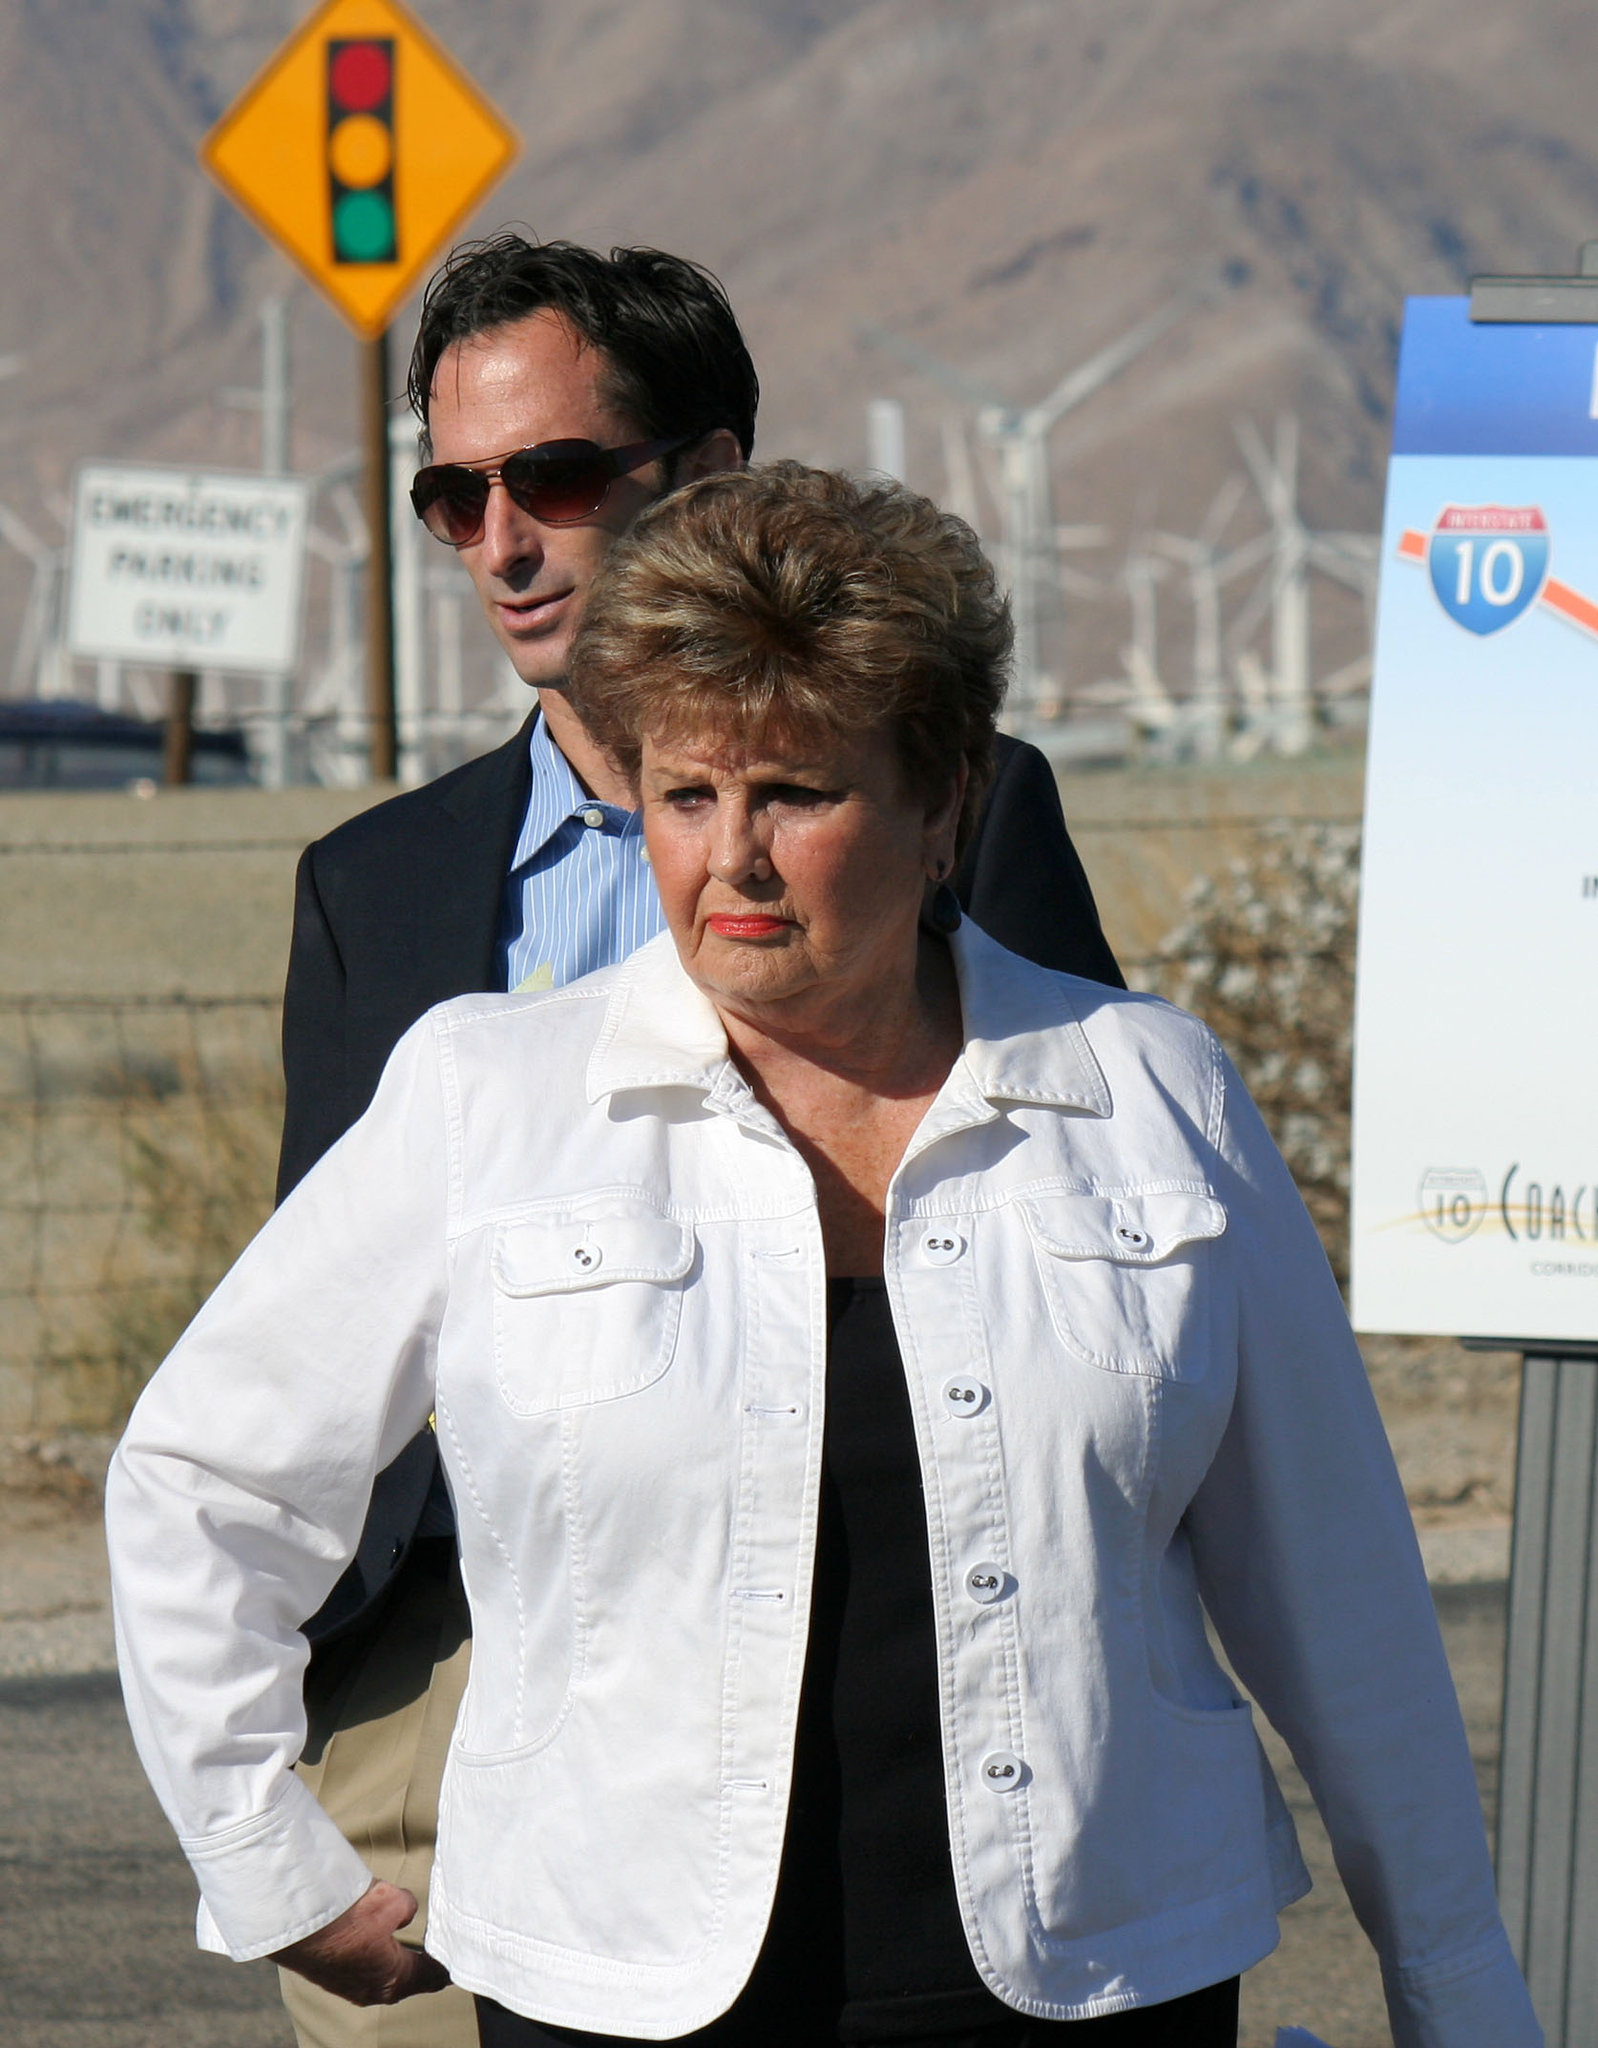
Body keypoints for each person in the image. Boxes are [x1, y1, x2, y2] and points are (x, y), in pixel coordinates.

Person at [109, 463, 1537, 2048]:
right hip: (617, 1990)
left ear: (942, 806)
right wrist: (264, 1855)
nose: (732, 858)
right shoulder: (487, 1099)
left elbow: (1337, 1591)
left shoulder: (1148, 1090)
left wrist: (1456, 1991)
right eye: (683, 796)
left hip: (1104, 1976)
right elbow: (204, 1482)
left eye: (793, 792)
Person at [274, 238, 1124, 2048]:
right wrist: (283, 1765)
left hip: (865, 1651)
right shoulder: (375, 890)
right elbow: (297, 1352)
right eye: (454, 493)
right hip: (453, 1668)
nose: (504, 540)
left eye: (558, 478)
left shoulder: (970, 814)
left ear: (711, 475)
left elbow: (1082, 1215)